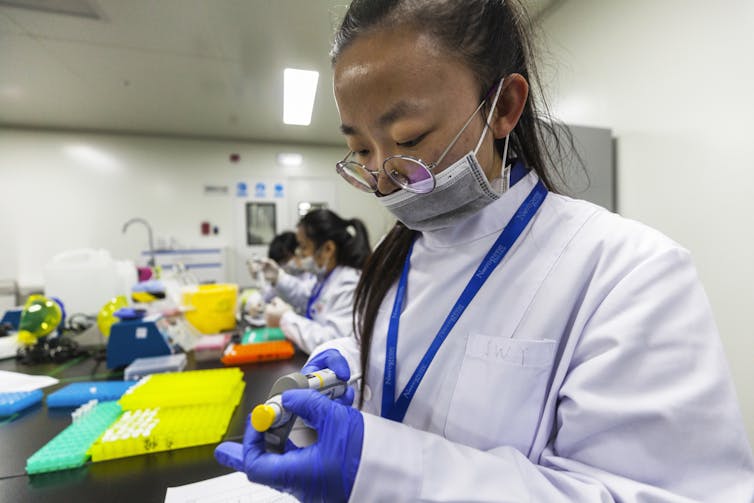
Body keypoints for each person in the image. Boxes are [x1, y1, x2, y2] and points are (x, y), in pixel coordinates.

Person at [216, 1, 754, 501]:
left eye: (408, 138)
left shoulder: (628, 273)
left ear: (505, 108)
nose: (383, 180)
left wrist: (381, 467)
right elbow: (406, 359)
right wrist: (342, 364)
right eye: (360, 149)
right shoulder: (397, 254)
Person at [262, 209, 371, 354]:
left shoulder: (349, 282)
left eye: (304, 247)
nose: (299, 255)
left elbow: (333, 343)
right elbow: (307, 299)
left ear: (328, 249)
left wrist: (285, 318)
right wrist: (278, 277)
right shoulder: (325, 276)